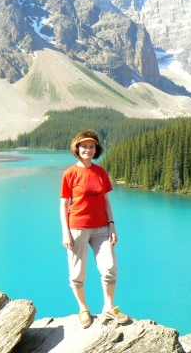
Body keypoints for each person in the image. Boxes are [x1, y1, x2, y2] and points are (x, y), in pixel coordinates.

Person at [60, 130, 129, 328]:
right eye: (84, 146)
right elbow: (64, 205)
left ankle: (108, 307)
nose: (87, 150)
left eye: (91, 146)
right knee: (77, 273)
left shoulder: (100, 172)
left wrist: (112, 225)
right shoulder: (70, 174)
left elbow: (106, 201)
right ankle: (83, 309)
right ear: (77, 149)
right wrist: (65, 232)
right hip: (77, 228)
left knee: (109, 267)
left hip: (101, 228)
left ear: (95, 149)